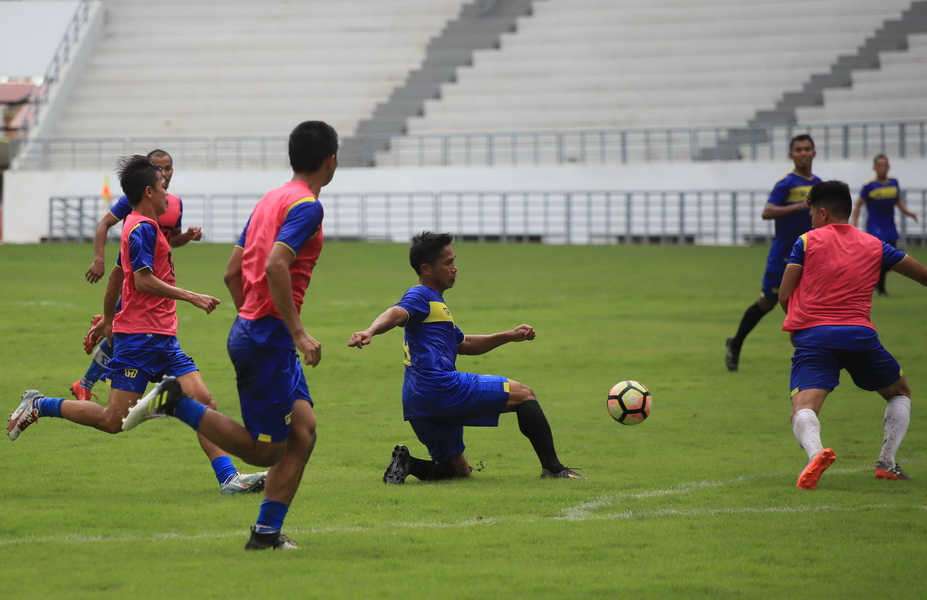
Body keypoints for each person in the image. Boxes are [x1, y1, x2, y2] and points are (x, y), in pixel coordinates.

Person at [118, 121, 339, 551]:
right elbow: (276, 265)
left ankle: (266, 534)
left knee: (304, 430)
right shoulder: (307, 206)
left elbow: (231, 272)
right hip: (268, 336)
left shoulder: (269, 199)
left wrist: (252, 318)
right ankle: (175, 402)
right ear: (331, 161)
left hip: (255, 329)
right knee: (265, 452)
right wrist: (295, 331)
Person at [7, 155, 266, 496]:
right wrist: (191, 296)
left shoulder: (143, 226)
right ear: (148, 191)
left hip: (161, 338)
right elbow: (142, 281)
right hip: (140, 340)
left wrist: (109, 320)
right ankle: (39, 405)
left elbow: (117, 277)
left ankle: (228, 478)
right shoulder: (141, 228)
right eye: (161, 188)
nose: (166, 194)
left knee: (205, 403)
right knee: (112, 421)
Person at [348, 231, 585, 483]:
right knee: (524, 395)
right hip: (441, 388)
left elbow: (464, 343)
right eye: (448, 263)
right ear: (426, 269)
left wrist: (510, 335)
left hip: (417, 402)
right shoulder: (420, 296)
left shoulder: (437, 306)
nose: (455, 268)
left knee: (458, 473)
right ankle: (554, 469)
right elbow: (395, 313)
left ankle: (408, 463)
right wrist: (370, 330)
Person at [778, 180, 927, 490]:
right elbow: (923, 276)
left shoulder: (806, 242)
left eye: (811, 214)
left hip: (815, 337)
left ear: (821, 213)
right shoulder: (875, 245)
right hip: (860, 337)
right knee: (899, 391)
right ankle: (887, 462)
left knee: (803, 408)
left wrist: (795, 324)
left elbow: (784, 295)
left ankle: (816, 453)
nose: (810, 221)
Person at [74, 149, 203, 402]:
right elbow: (104, 225)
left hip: (156, 272)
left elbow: (170, 239)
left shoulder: (174, 203)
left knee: (124, 335)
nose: (164, 174)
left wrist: (186, 237)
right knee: (127, 332)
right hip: (136, 274)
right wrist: (99, 259)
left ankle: (86, 380)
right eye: (159, 168)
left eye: (168, 168)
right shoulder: (134, 200)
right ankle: (92, 367)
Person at [726, 134, 821, 372]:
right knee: (767, 302)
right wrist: (799, 206)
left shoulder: (819, 184)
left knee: (812, 303)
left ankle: (814, 357)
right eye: (798, 149)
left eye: (807, 148)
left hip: (812, 253)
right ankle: (736, 343)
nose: (803, 153)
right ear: (791, 154)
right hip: (784, 255)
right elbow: (767, 212)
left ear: (814, 153)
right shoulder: (786, 183)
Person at [851, 154, 919, 296]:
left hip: (890, 225)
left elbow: (898, 201)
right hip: (875, 226)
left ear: (888, 166)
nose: (882, 168)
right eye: (879, 165)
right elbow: (858, 204)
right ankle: (881, 289)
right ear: (874, 167)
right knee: (881, 256)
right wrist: (855, 223)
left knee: (892, 256)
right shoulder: (869, 185)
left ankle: (874, 279)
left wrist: (909, 212)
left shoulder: (893, 183)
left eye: (885, 165)